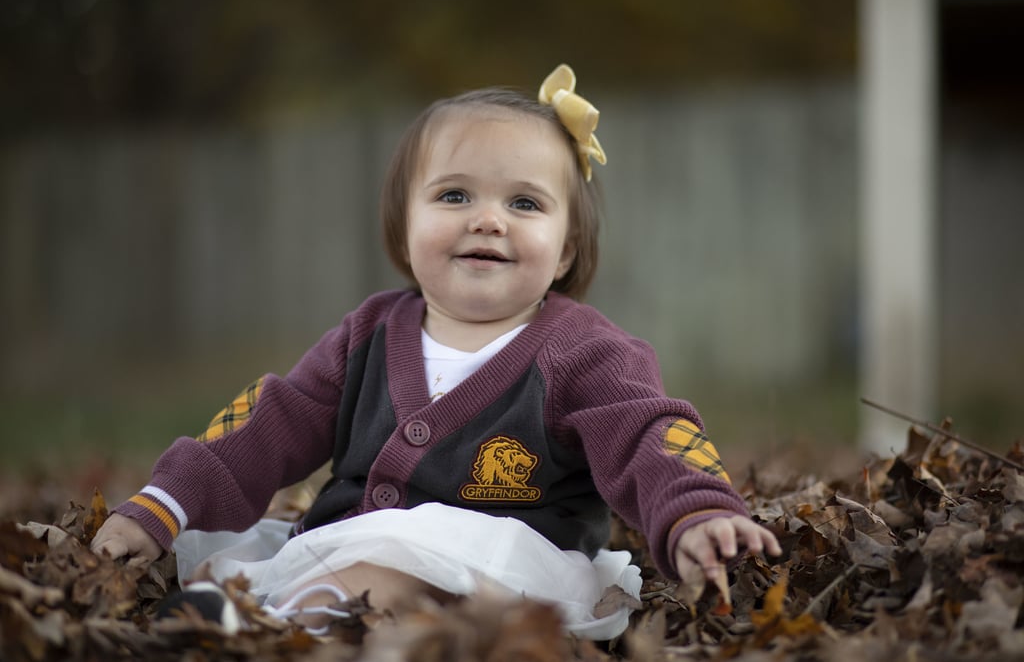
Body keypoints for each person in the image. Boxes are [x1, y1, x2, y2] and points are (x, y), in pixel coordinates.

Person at [91, 63, 781, 640]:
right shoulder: (367, 334)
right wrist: (165, 501)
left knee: (389, 572)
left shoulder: (586, 352)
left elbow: (648, 434)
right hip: (351, 539)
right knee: (235, 555)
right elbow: (268, 419)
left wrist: (697, 510)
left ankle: (266, 627)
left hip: (508, 564)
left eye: (525, 204)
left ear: (567, 248)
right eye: (455, 195)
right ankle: (242, 606)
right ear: (404, 226)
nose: (487, 218)